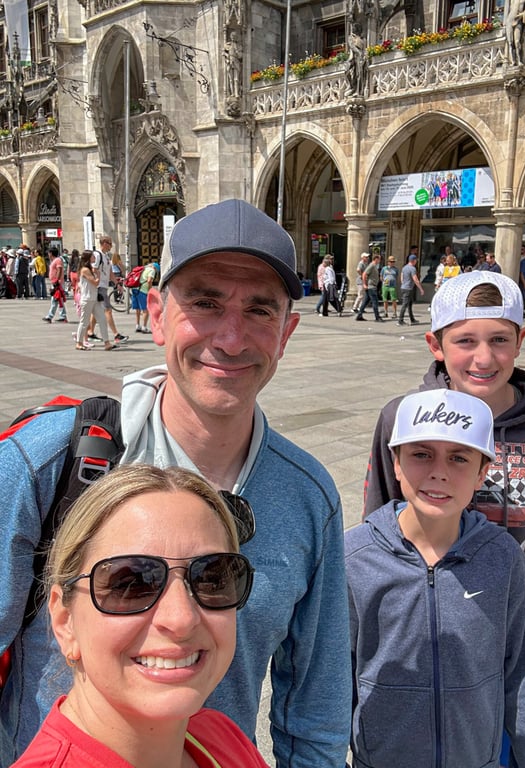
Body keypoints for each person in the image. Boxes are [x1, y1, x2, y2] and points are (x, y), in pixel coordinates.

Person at [0, 199, 351, 767]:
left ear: (286, 332)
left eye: (260, 311)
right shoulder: (48, 462)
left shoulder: (309, 498)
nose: (232, 339)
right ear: (157, 313)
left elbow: (317, 708)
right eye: (205, 303)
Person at [364, 271, 525, 764]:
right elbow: (378, 532)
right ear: (435, 344)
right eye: (464, 341)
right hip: (416, 658)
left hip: (520, 663)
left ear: (520, 340)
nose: (483, 358)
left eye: (500, 340)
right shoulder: (401, 420)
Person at [12, 463, 267, 768]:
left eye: (212, 577)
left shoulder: (218, 735)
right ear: (65, 621)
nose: (181, 618)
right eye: (130, 584)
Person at [347, 389, 525, 767]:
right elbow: (333, 683)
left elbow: (520, 673)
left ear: (482, 471)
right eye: (421, 454)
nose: (439, 471)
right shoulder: (353, 559)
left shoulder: (503, 559)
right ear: (397, 463)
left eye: (459, 458)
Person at [86, 236, 129, 344]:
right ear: (104, 243)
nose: (111, 246)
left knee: (96, 311)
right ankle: (116, 335)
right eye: (109, 243)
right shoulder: (97, 254)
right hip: (99, 287)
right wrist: (97, 279)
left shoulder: (106, 256)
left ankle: (90, 332)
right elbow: (93, 268)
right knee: (108, 310)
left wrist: (117, 284)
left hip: (103, 286)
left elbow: (110, 273)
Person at [75, 250, 117, 351]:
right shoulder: (85, 270)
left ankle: (107, 343)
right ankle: (79, 343)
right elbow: (95, 283)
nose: (94, 257)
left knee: (102, 319)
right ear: (88, 258)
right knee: (84, 322)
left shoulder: (90, 268)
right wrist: (98, 275)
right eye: (92, 256)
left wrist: (96, 273)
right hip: (87, 299)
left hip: (94, 298)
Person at [397, 250, 424, 326]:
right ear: (413, 261)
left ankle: (412, 319)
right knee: (405, 304)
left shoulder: (404, 267)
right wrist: (421, 289)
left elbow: (401, 277)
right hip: (408, 288)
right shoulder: (412, 269)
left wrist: (403, 283)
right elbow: (415, 279)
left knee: (409, 304)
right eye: (416, 260)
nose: (416, 262)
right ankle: (400, 320)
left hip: (404, 287)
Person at [42, 248, 68, 323]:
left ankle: (50, 316)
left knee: (55, 299)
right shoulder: (54, 261)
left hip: (57, 282)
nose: (48, 255)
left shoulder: (58, 260)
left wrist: (57, 280)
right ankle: (62, 316)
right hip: (54, 282)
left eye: (49, 253)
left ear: (51, 253)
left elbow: (59, 270)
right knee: (58, 300)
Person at [355, 253, 383, 322]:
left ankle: (359, 315)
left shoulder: (374, 266)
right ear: (376, 259)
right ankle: (377, 317)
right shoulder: (372, 266)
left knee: (365, 301)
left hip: (372, 286)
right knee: (375, 301)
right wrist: (364, 284)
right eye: (379, 259)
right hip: (371, 286)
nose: (380, 261)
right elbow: (364, 274)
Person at [133, 261, 158, 333]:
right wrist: (150, 289)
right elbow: (149, 280)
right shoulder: (152, 270)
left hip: (135, 289)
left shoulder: (143, 269)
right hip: (143, 291)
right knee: (145, 310)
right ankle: (144, 327)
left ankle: (137, 325)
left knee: (137, 309)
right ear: (155, 268)